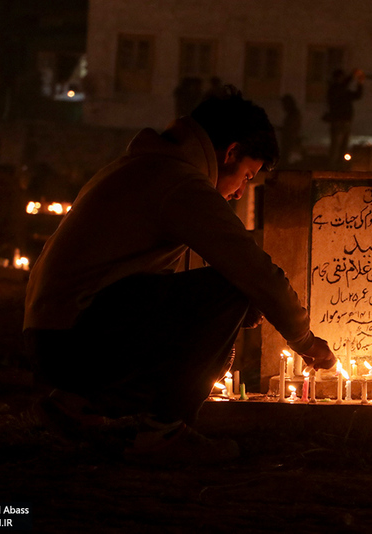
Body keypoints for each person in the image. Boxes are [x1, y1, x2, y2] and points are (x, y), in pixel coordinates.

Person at [24, 87, 336, 463]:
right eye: (246, 176)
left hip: (55, 337)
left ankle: (76, 404)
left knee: (232, 298)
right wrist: (305, 341)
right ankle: (162, 432)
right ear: (230, 152)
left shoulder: (146, 166)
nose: (240, 193)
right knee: (232, 288)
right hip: (76, 339)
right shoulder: (178, 182)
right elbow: (255, 271)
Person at [325, 68, 365, 169]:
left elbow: (357, 95)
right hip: (338, 121)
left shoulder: (342, 91)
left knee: (343, 146)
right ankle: (332, 167)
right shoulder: (334, 89)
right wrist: (352, 76)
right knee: (336, 146)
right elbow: (342, 87)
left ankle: (339, 166)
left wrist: (360, 83)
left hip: (345, 121)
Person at [278, 94, 302, 166]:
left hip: (290, 141)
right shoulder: (293, 115)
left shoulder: (293, 115)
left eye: (284, 104)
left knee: (288, 162)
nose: (283, 107)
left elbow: (291, 128)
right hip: (289, 141)